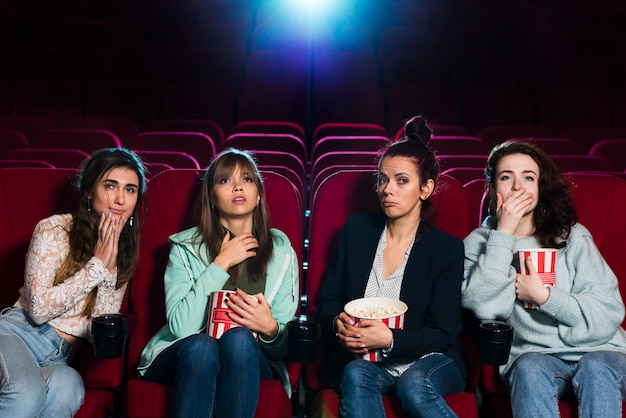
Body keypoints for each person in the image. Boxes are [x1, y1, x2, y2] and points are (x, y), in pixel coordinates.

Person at [316, 115, 467, 418]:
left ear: (425, 189)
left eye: (402, 181)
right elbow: (328, 302)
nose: (388, 190)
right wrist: (338, 324)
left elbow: (444, 332)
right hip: (367, 362)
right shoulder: (356, 231)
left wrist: (390, 340)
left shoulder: (446, 248)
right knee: (356, 373)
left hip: (431, 359)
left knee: (414, 382)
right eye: (383, 180)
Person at [462, 140, 626, 417]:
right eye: (506, 177)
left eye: (528, 177)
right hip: (537, 359)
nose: (517, 187)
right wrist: (503, 236)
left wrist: (546, 298)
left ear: (540, 188)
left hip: (604, 354)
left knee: (595, 366)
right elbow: (484, 308)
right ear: (492, 189)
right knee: (528, 365)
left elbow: (609, 313)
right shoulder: (478, 243)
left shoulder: (572, 236)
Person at [138, 148, 299, 418]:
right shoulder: (185, 247)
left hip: (249, 356)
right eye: (225, 180)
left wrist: (270, 329)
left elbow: (282, 347)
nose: (237, 186)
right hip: (186, 352)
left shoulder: (281, 252)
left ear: (258, 194)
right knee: (203, 346)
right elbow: (181, 327)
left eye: (247, 179)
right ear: (211, 197)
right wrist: (220, 264)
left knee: (237, 339)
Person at [0, 148, 147, 418]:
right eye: (110, 185)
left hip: (61, 356)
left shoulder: (122, 253)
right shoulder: (54, 229)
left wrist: (109, 270)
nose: (120, 199)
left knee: (70, 387)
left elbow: (96, 334)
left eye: (130, 190)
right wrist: (97, 267)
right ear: (90, 192)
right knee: (26, 391)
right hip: (15, 335)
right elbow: (39, 310)